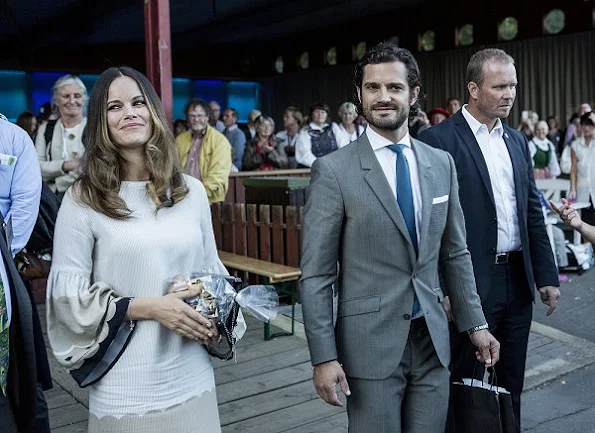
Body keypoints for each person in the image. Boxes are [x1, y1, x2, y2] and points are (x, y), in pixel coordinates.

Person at [300, 42, 499, 433]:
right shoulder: (333, 171)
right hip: (368, 348)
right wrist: (323, 357)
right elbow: (317, 274)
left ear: (414, 94)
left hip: (433, 341)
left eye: (394, 87)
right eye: (372, 88)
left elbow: (455, 253)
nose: (383, 97)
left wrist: (475, 324)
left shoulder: (440, 164)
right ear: (359, 95)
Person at [46, 67, 244, 432]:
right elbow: (66, 297)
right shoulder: (82, 199)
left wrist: (212, 314)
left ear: (154, 110)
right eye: (114, 106)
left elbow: (213, 273)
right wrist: (152, 307)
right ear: (100, 122)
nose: (130, 113)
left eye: (138, 102)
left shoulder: (192, 192)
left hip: (192, 374)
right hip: (127, 385)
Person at [419, 48, 560, 432]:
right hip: (468, 284)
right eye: (500, 86)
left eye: (513, 85)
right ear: (474, 89)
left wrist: (546, 275)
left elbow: (531, 209)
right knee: (464, 381)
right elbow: (430, 226)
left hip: (517, 279)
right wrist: (444, 289)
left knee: (510, 382)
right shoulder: (437, 140)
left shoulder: (517, 141)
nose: (509, 94)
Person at [0, 113, 51, 433]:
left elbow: (25, 205)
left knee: (18, 366)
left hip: (4, 262)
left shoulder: (14, 137)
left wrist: (3, 253)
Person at [35, 75, 88, 201]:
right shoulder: (46, 129)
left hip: (87, 197)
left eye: (77, 96)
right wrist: (67, 165)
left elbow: (93, 168)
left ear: (84, 99)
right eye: (66, 96)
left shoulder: (95, 127)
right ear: (56, 100)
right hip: (52, 201)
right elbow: (37, 168)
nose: (72, 101)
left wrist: (57, 182)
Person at [176, 99, 232, 204]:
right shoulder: (180, 140)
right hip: (181, 200)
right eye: (192, 116)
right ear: (187, 118)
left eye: (200, 115)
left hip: (209, 201)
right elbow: (172, 169)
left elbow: (218, 176)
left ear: (207, 117)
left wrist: (198, 195)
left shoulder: (220, 141)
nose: (196, 119)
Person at [295, 102, 339, 167]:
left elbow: (344, 146)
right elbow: (304, 154)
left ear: (327, 115)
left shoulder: (334, 128)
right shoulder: (305, 132)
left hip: (335, 167)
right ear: (312, 114)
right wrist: (321, 166)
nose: (320, 114)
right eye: (317, 112)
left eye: (323, 112)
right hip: (313, 169)